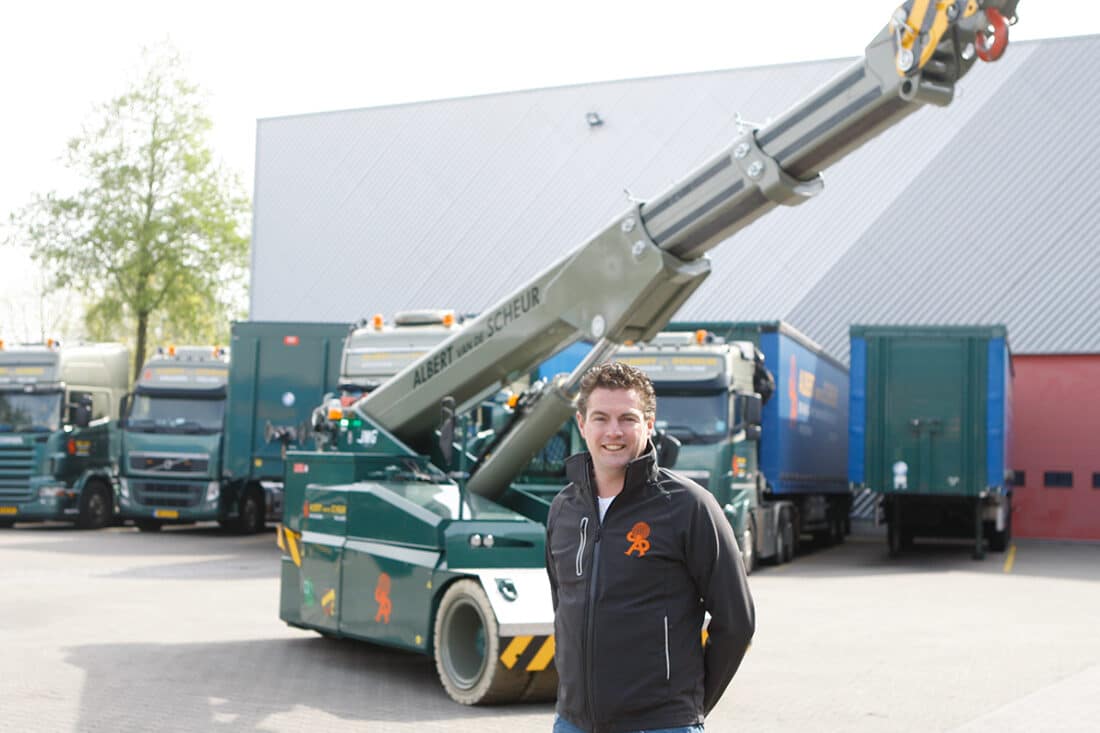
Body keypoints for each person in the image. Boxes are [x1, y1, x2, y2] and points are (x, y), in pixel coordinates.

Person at [545, 361, 755, 733]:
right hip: (574, 723)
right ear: (582, 425)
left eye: (627, 418)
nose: (614, 431)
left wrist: (686, 707)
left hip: (660, 725)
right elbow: (563, 607)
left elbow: (736, 621)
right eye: (600, 418)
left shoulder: (689, 506)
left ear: (649, 424)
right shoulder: (563, 509)